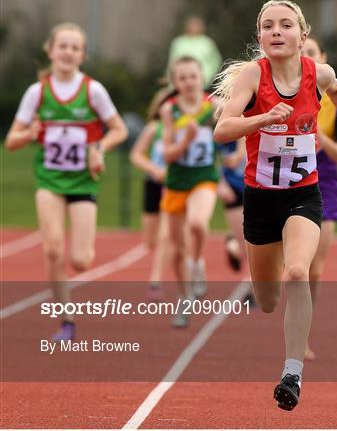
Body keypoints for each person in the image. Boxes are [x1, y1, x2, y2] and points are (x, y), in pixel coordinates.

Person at [213, 0, 337, 411]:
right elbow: (222, 130)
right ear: (259, 38)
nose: (276, 31)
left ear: (302, 36)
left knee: (297, 270)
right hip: (260, 198)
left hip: (303, 194)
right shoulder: (254, 75)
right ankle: (274, 310)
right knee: (268, 301)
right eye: (267, 25)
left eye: (285, 25)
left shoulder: (317, 74)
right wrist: (262, 119)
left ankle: (292, 372)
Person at [4, 22, 128, 341]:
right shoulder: (38, 92)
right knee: (53, 249)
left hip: (84, 183)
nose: (68, 52)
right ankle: (67, 318)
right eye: (63, 46)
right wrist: (29, 133)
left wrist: (99, 147)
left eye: (75, 47)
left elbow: (119, 130)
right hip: (50, 181)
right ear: (50, 50)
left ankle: (77, 270)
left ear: (82, 55)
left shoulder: (92, 91)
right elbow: (11, 141)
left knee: (81, 261)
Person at [300, 37, 337, 360]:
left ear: (323, 59)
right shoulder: (282, 92)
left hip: (325, 183)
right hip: (287, 181)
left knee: (313, 270)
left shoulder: (336, 103)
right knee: (293, 267)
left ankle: (301, 333)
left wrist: (320, 136)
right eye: (302, 53)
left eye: (312, 54)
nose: (305, 58)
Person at [160, 56, 219, 327]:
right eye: (182, 78)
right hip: (176, 182)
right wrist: (186, 140)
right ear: (174, 82)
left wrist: (237, 154)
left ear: (201, 77)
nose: (188, 82)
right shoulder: (169, 110)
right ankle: (184, 298)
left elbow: (236, 130)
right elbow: (168, 154)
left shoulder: (213, 106)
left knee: (197, 223)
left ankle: (198, 265)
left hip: (204, 177)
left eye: (192, 76)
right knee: (177, 248)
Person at [129, 87, 176, 300]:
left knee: (165, 234)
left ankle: (155, 281)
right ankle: (169, 256)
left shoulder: (184, 128)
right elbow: (136, 155)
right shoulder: (153, 128)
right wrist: (153, 169)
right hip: (152, 183)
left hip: (173, 185)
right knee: (150, 240)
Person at [216, 137, 247, 271]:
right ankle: (253, 285)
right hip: (234, 188)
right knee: (246, 243)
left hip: (260, 186)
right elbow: (211, 159)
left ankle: (232, 245)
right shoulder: (221, 127)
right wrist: (220, 184)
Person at [168, 16, 223, 90]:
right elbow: (172, 61)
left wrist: (208, 76)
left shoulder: (207, 42)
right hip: (180, 83)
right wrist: (171, 79)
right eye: (191, 25)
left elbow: (215, 61)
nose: (193, 28)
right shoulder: (178, 42)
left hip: (203, 83)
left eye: (196, 25)